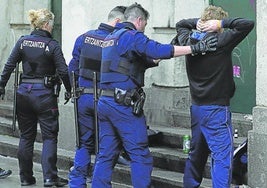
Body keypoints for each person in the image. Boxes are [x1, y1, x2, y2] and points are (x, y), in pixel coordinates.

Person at [91, 3, 218, 188]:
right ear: (139, 20)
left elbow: (141, 60)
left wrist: (172, 47)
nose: (144, 29)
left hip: (105, 102)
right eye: (144, 25)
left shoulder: (112, 38)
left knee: (106, 154)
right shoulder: (133, 36)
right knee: (140, 154)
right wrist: (195, 48)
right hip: (123, 106)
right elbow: (157, 50)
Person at [173, 5, 254, 188]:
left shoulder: (189, 41)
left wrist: (197, 23)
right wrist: (220, 23)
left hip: (197, 108)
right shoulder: (221, 40)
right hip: (216, 109)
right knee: (222, 158)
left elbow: (180, 24)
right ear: (215, 24)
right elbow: (247, 24)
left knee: (196, 154)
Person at [0, 8, 71, 187]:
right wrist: (70, 89)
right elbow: (63, 70)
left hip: (24, 93)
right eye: (52, 24)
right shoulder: (52, 45)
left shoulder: (23, 42)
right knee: (49, 137)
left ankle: (25, 178)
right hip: (45, 95)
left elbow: (9, 66)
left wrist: (1, 85)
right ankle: (50, 178)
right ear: (46, 25)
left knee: (26, 136)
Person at [68, 6, 127, 188]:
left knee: (84, 144)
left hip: (84, 97)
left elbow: (72, 67)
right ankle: (99, 183)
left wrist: (74, 90)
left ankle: (77, 183)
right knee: (107, 145)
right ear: (117, 21)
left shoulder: (84, 37)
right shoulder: (116, 41)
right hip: (107, 100)